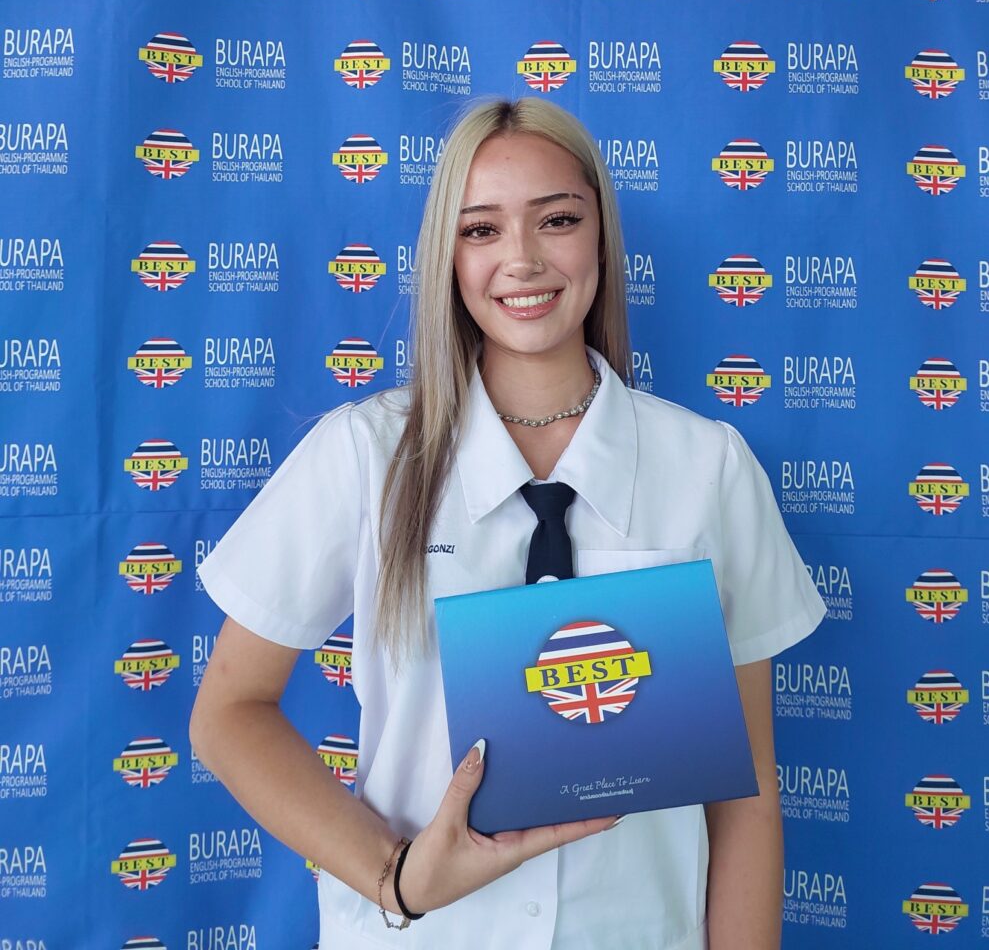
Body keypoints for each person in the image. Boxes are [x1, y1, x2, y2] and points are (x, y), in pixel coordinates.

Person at [191, 97, 825, 950]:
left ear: (600, 237)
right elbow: (228, 710)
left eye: (556, 220)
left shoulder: (707, 467)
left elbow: (745, 796)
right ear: (446, 258)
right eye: (481, 230)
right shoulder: (365, 455)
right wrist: (395, 876)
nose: (521, 259)